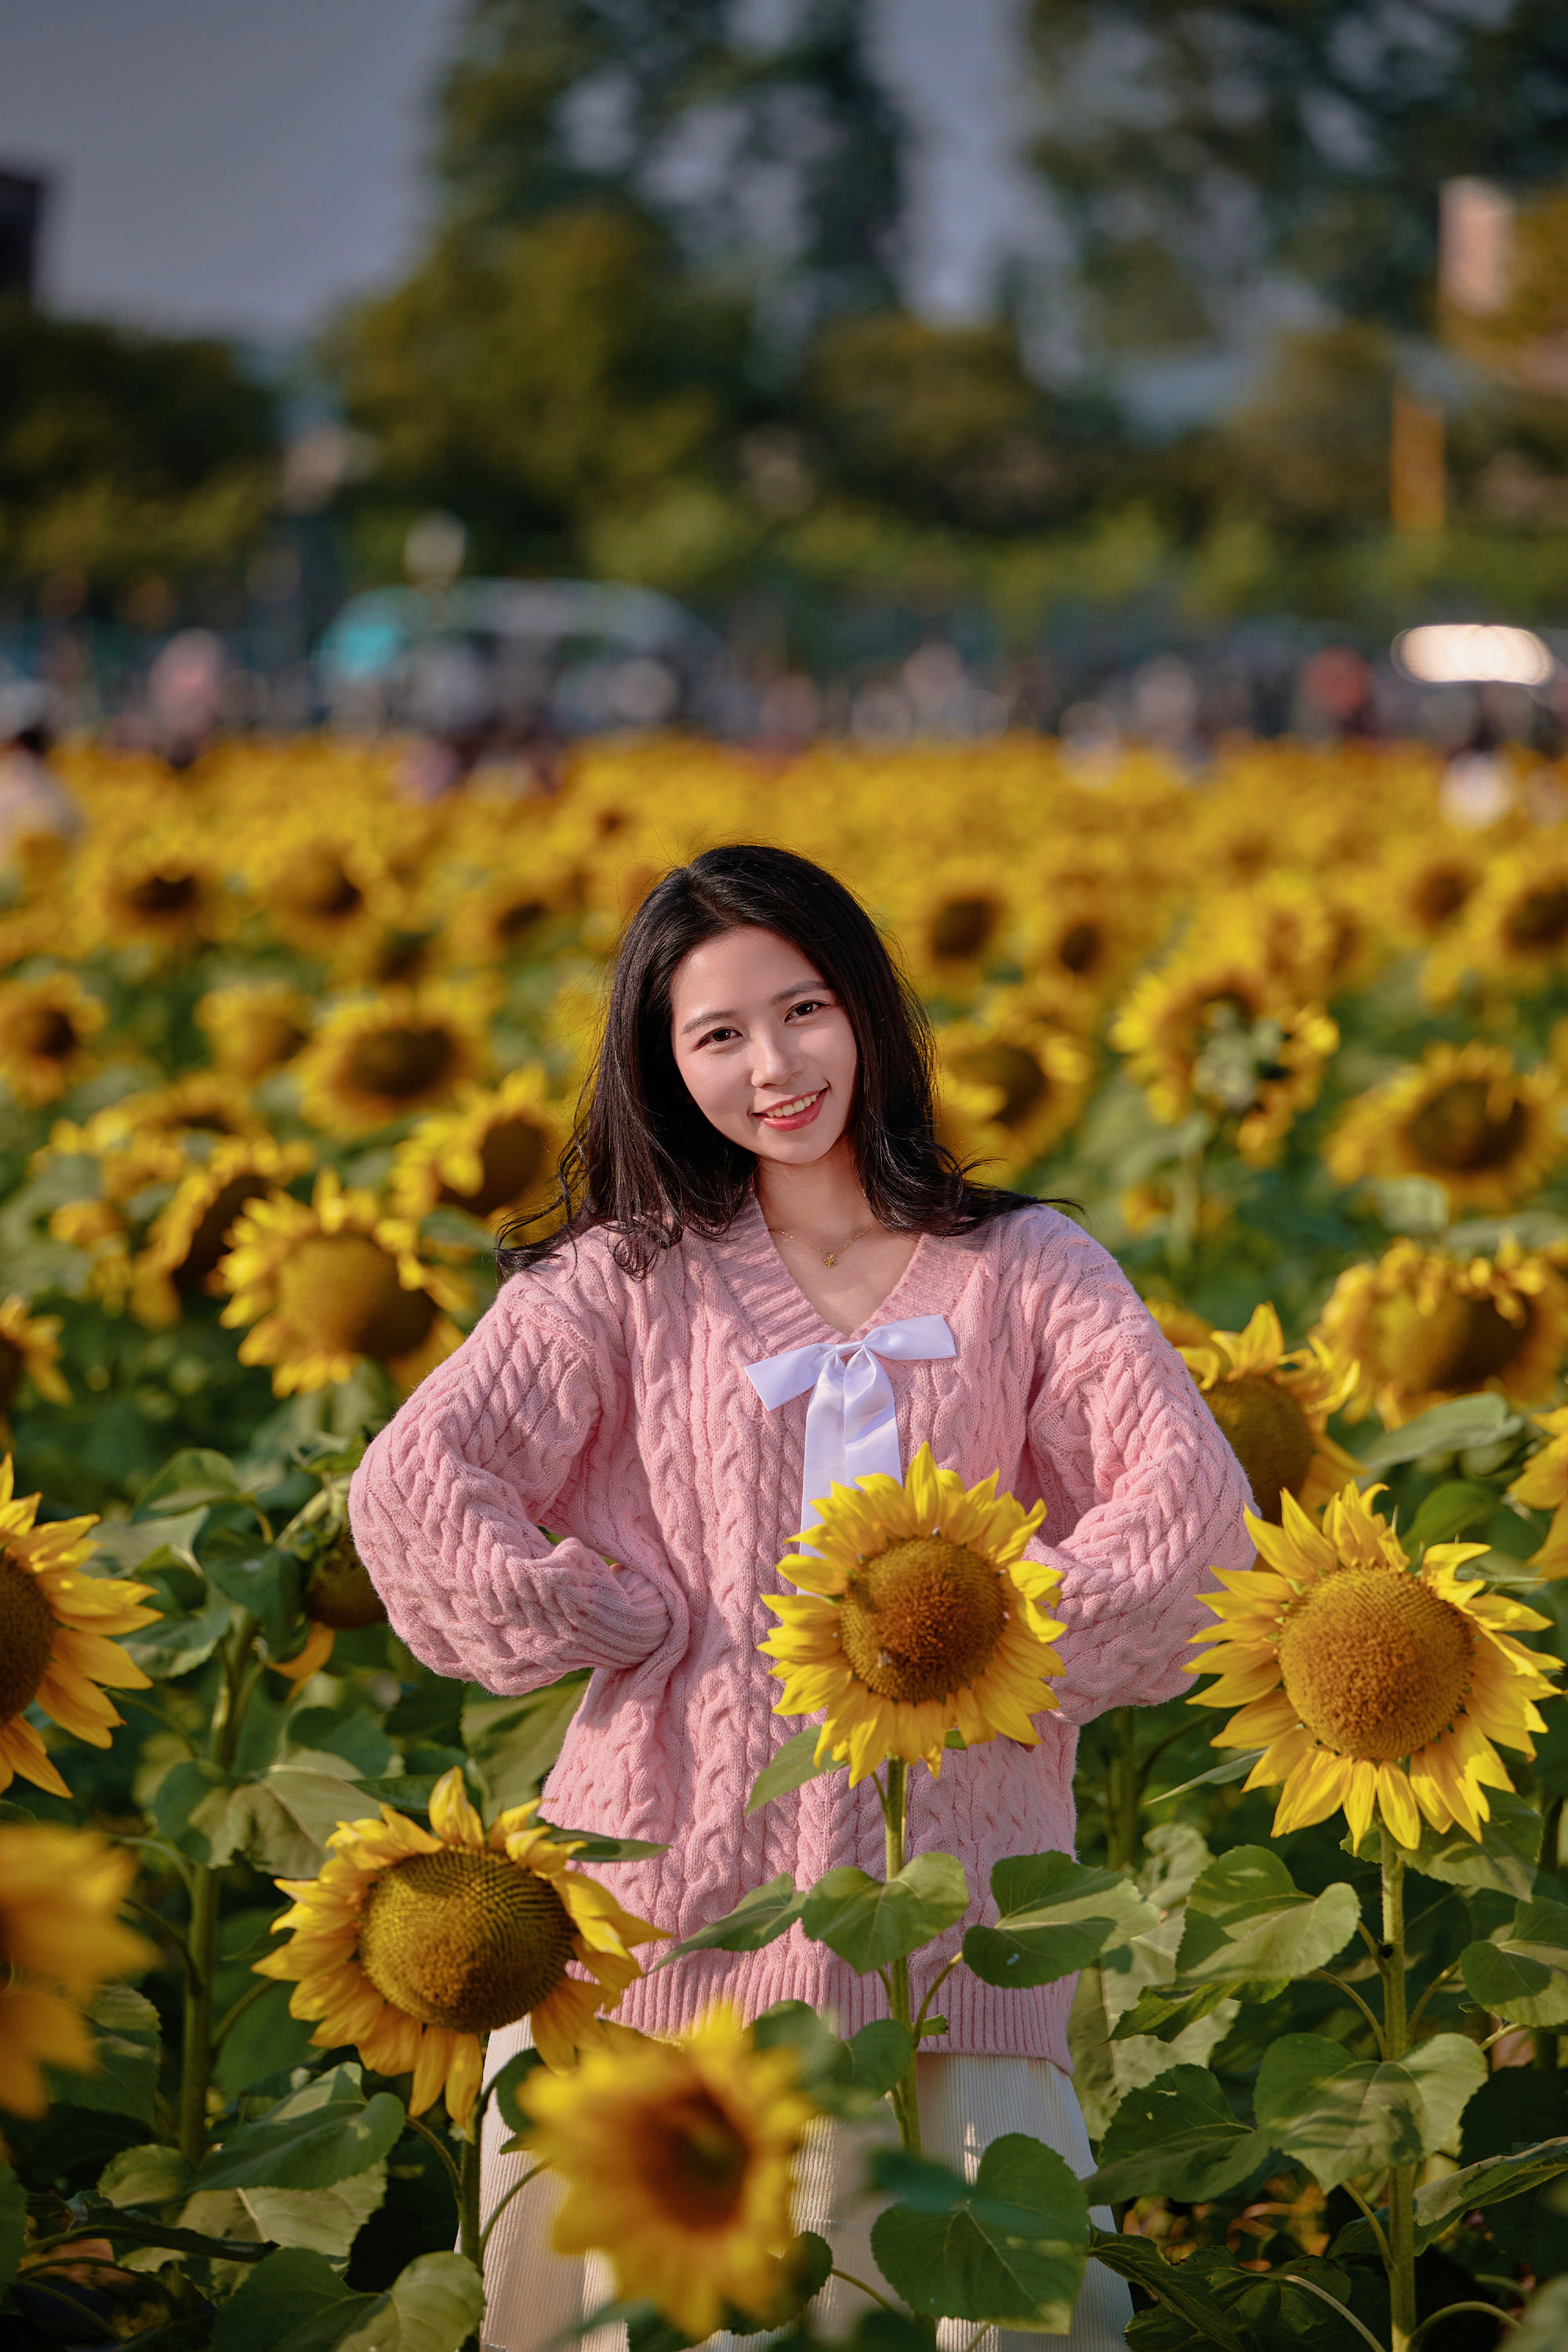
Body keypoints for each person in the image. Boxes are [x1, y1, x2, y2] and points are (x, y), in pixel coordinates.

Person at [349, 844, 1252, 2352]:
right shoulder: (624, 1279)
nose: (773, 1066)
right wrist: (603, 1611)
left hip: (959, 1940)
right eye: (717, 1035)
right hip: (665, 1936)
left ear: (869, 1015)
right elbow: (413, 1485)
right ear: (662, 1062)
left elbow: (1188, 1512)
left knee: (982, 2287)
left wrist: (994, 1635)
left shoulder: (1026, 1269)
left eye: (805, 1010)